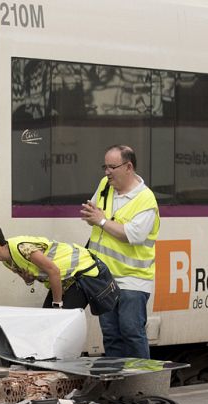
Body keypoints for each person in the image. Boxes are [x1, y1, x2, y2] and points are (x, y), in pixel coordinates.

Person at [80, 144, 159, 359]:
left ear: (128, 167)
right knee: (111, 335)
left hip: (133, 279)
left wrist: (102, 220)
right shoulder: (105, 185)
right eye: (104, 166)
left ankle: (142, 385)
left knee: (131, 332)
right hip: (104, 278)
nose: (106, 172)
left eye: (112, 167)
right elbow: (93, 213)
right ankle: (117, 387)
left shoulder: (145, 200)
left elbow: (133, 235)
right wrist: (91, 215)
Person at [0, 219, 98, 309]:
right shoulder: (7, 262)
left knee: (59, 320)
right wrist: (29, 279)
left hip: (81, 273)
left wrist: (58, 305)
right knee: (50, 320)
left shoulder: (22, 248)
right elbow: (42, 272)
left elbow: (54, 271)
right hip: (65, 280)